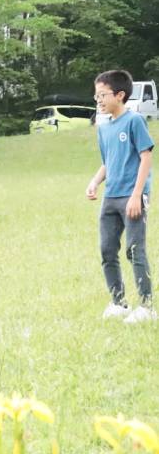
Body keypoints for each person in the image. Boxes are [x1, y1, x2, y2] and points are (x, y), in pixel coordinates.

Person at [86, 70, 155, 323]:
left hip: (131, 196)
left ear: (120, 95)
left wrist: (138, 195)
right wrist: (94, 182)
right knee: (107, 251)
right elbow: (108, 163)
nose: (99, 100)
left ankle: (147, 307)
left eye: (102, 95)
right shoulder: (103, 129)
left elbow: (146, 157)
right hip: (110, 197)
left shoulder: (134, 121)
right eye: (96, 96)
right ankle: (119, 303)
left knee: (135, 250)